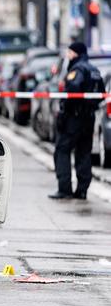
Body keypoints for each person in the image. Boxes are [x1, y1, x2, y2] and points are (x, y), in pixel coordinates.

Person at [49, 42, 99, 200]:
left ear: (76, 53)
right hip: (89, 118)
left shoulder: (77, 70)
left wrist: (65, 112)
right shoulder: (94, 70)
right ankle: (82, 190)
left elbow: (73, 92)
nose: (68, 55)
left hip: (74, 118)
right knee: (84, 152)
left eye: (70, 52)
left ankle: (64, 189)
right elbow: (101, 94)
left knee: (62, 150)